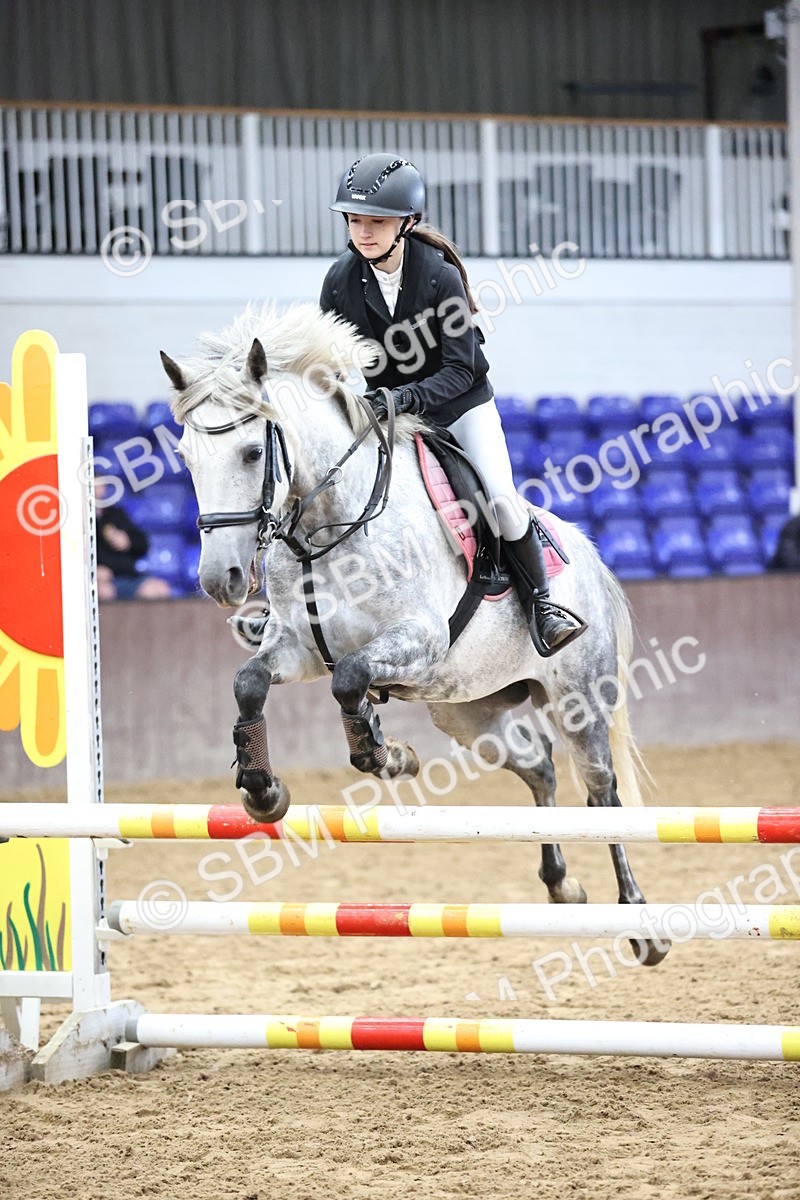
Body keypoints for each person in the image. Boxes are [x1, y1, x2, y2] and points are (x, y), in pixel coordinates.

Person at [320, 152, 585, 655]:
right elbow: (331, 357)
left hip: (459, 407)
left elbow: (460, 370)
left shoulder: (439, 278)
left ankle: (543, 607)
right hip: (391, 413)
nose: (363, 232)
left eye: (376, 221)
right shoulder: (339, 281)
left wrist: (400, 398)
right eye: (355, 220)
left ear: (407, 223)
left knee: (502, 500)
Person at [95, 483, 173, 601]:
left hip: (128, 575)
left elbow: (143, 545)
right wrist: (93, 569)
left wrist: (128, 541)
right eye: (94, 486)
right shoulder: (80, 520)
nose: (98, 489)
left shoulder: (116, 514)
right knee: (104, 592)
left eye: (101, 485)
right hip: (101, 579)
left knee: (160, 589)